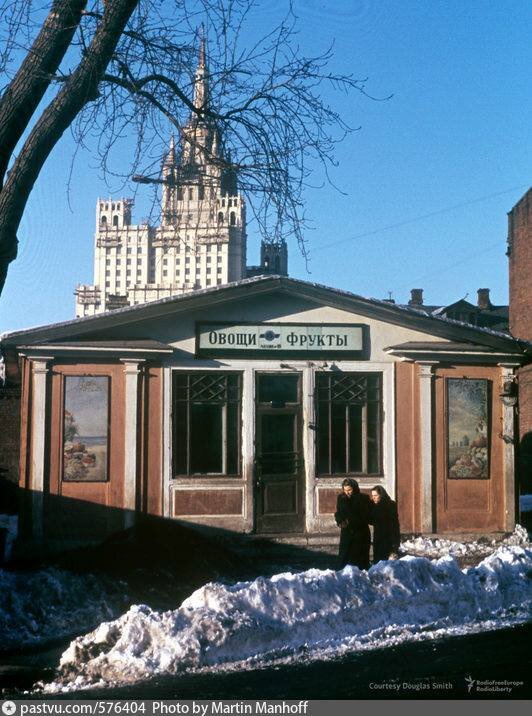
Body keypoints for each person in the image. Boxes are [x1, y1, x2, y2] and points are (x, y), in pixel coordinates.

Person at [334, 478, 371, 570]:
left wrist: (350, 520)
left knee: (358, 561)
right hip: (346, 532)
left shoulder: (363, 499)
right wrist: (339, 521)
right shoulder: (341, 498)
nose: (347, 492)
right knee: (344, 558)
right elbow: (338, 513)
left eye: (349, 490)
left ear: (354, 488)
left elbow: (365, 516)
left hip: (360, 534)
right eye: (345, 490)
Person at [369, 485, 401, 563]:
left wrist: (395, 541)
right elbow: (371, 520)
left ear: (381, 495)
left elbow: (395, 523)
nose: (374, 498)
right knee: (378, 561)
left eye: (376, 495)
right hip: (378, 536)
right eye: (372, 496)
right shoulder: (373, 506)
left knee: (388, 563)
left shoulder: (391, 505)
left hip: (389, 537)